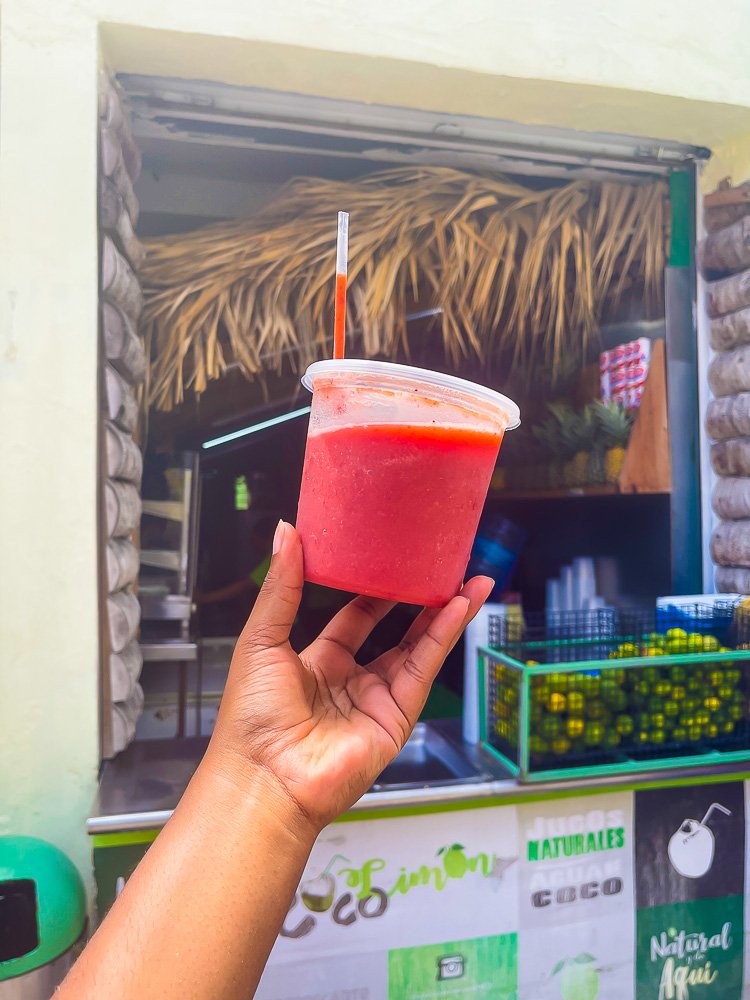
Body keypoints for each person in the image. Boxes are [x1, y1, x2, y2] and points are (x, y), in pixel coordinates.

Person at [57, 521, 493, 1000]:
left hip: (341, 662)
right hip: (328, 660)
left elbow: (245, 586)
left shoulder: (322, 544)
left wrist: (267, 780)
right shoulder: (313, 545)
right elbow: (250, 585)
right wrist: (266, 775)